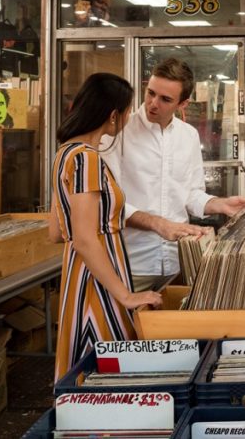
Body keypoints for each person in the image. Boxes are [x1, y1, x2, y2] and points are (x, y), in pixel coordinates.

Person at [48, 73, 163, 381]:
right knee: (105, 374)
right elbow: (85, 238)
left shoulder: (64, 154)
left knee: (88, 375)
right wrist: (126, 296)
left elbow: (57, 232)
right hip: (98, 284)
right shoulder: (87, 160)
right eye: (126, 112)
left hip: (80, 275)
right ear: (113, 116)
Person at [102, 58, 245, 290]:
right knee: (128, 327)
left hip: (178, 262)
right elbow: (108, 200)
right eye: (150, 93)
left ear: (183, 103)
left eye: (165, 99)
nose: (153, 103)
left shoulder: (188, 135)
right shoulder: (117, 132)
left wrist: (219, 204)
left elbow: (190, 194)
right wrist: (158, 224)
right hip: (131, 263)